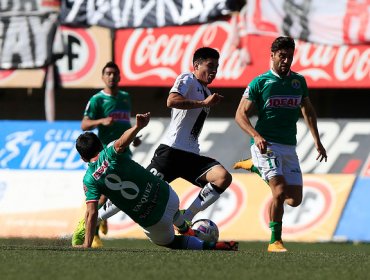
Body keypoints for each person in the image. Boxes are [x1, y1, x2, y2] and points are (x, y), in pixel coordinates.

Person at [73, 112, 238, 251]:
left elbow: (92, 212)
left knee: (170, 242)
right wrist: (138, 126)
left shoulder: (89, 180)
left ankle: (208, 245)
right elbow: (122, 142)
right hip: (168, 196)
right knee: (173, 212)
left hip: (152, 220)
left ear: (82, 157)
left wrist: (87, 243)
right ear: (100, 145)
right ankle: (185, 228)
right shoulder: (109, 151)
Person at [234, 36, 327, 253]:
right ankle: (275, 241)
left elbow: (308, 110)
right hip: (266, 145)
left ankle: (254, 166)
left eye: (289, 56)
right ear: (273, 55)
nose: (286, 60)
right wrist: (256, 136)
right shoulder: (260, 82)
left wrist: (317, 140)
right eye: (282, 56)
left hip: (288, 146)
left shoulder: (298, 82)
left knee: (294, 200)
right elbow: (240, 115)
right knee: (279, 190)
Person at [146, 47, 232, 227]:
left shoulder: (207, 93)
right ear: (196, 65)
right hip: (171, 152)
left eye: (217, 66)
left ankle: (187, 217)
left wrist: (205, 101)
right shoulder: (187, 78)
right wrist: (202, 103)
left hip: (190, 155)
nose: (214, 70)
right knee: (140, 190)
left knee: (223, 177)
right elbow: (171, 101)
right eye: (210, 65)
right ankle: (94, 219)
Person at [72, 61, 141, 248]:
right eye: (108, 73)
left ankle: (100, 219)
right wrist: (102, 120)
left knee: (118, 189)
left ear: (119, 76)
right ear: (103, 77)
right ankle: (93, 233)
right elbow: (84, 124)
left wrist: (133, 138)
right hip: (105, 153)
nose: (111, 77)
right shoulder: (97, 100)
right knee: (104, 192)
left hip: (124, 151)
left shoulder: (125, 97)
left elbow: (125, 123)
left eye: (114, 73)